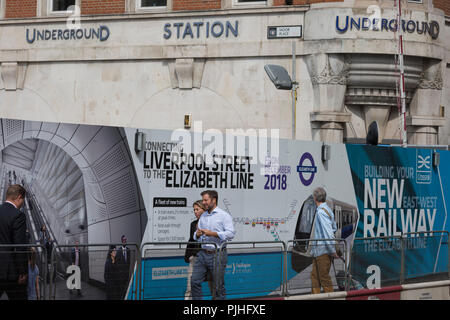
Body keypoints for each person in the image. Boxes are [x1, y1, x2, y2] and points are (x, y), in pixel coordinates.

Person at [191, 190, 235, 300]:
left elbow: (231, 234)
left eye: (206, 200)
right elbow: (196, 237)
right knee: (194, 281)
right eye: (203, 200)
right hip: (202, 253)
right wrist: (197, 234)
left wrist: (214, 234)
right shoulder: (203, 216)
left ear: (214, 200)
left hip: (218, 254)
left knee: (218, 287)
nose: (204, 202)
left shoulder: (224, 215)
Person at [0, 184, 28, 300]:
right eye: (23, 201)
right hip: (11, 272)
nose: (22, 204)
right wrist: (22, 271)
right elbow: (19, 245)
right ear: (19, 197)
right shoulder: (18, 215)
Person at [310, 187, 339, 294]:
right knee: (315, 276)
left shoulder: (321, 212)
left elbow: (328, 232)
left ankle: (330, 297)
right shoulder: (327, 210)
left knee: (323, 278)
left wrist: (332, 251)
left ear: (315, 198)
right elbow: (334, 228)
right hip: (319, 251)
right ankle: (315, 297)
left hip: (323, 251)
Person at [184, 200, 213, 300]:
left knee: (213, 286)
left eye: (197, 209)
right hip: (195, 258)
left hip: (209, 258)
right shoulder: (193, 224)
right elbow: (192, 239)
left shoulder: (211, 223)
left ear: (204, 209)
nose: (195, 212)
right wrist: (189, 255)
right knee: (190, 286)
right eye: (194, 210)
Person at [116, 235, 131, 299]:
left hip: (126, 273)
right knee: (121, 288)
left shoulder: (128, 250)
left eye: (126, 240)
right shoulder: (119, 251)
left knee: (125, 286)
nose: (125, 241)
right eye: (124, 240)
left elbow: (129, 261)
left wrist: (127, 270)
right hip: (120, 274)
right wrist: (119, 271)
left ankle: (125, 297)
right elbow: (117, 262)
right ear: (121, 241)